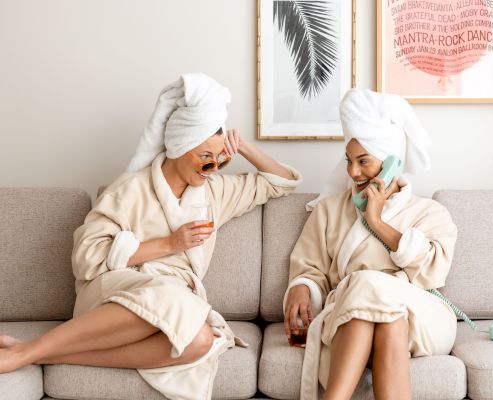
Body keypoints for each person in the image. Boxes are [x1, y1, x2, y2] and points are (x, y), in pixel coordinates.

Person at [0, 72, 302, 400]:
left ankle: (43, 353)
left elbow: (282, 181)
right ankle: (23, 354)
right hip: (115, 294)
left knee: (201, 341)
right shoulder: (131, 188)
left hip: (174, 299)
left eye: (219, 162)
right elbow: (86, 257)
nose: (212, 169)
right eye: (205, 160)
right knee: (171, 300)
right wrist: (169, 245)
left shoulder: (215, 192)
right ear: (178, 149)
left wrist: (240, 146)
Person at [283, 89, 457, 400]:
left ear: (392, 162)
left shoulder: (430, 213)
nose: (352, 172)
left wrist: (376, 221)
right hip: (355, 317)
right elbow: (309, 268)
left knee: (367, 283)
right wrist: (301, 285)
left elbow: (432, 273)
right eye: (349, 161)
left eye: (363, 161)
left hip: (422, 317)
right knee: (387, 319)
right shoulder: (329, 210)